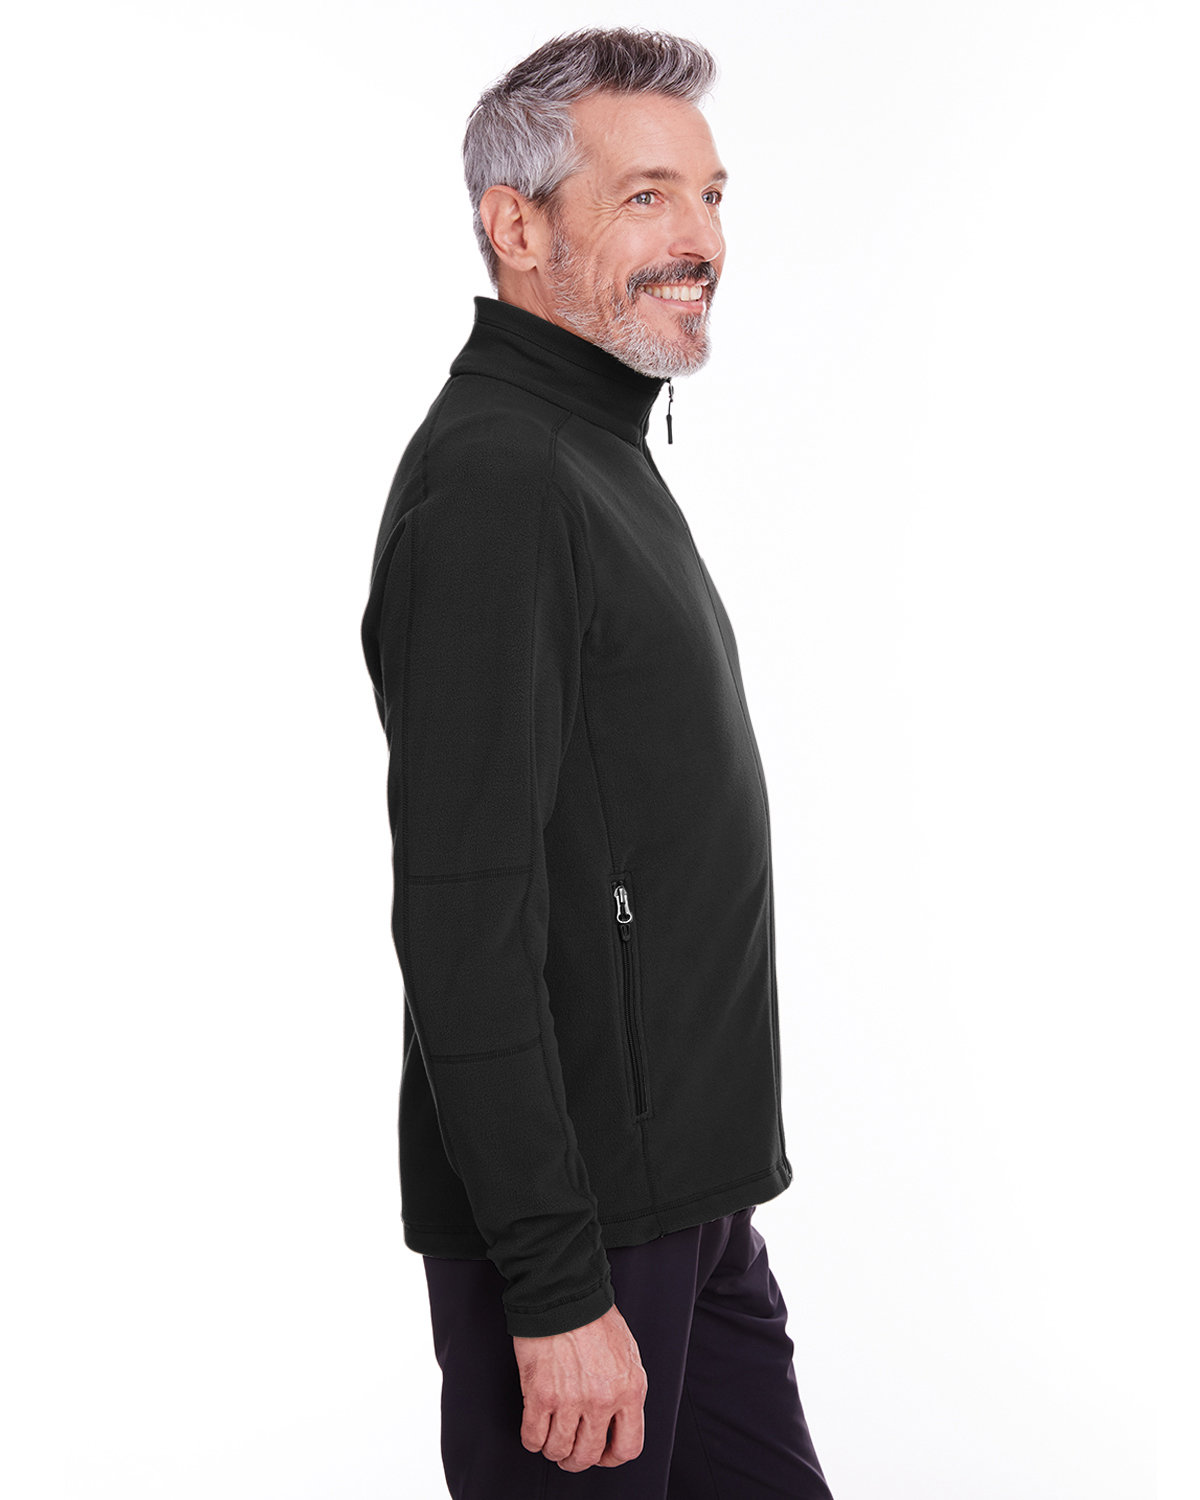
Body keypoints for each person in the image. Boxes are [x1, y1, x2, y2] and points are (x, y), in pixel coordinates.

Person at [360, 27, 835, 1499]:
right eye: (645, 197)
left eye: (710, 195)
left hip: (686, 1209)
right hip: (583, 1241)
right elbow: (462, 915)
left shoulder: (591, 447)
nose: (701, 239)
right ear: (517, 226)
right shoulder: (501, 479)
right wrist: (558, 1285)